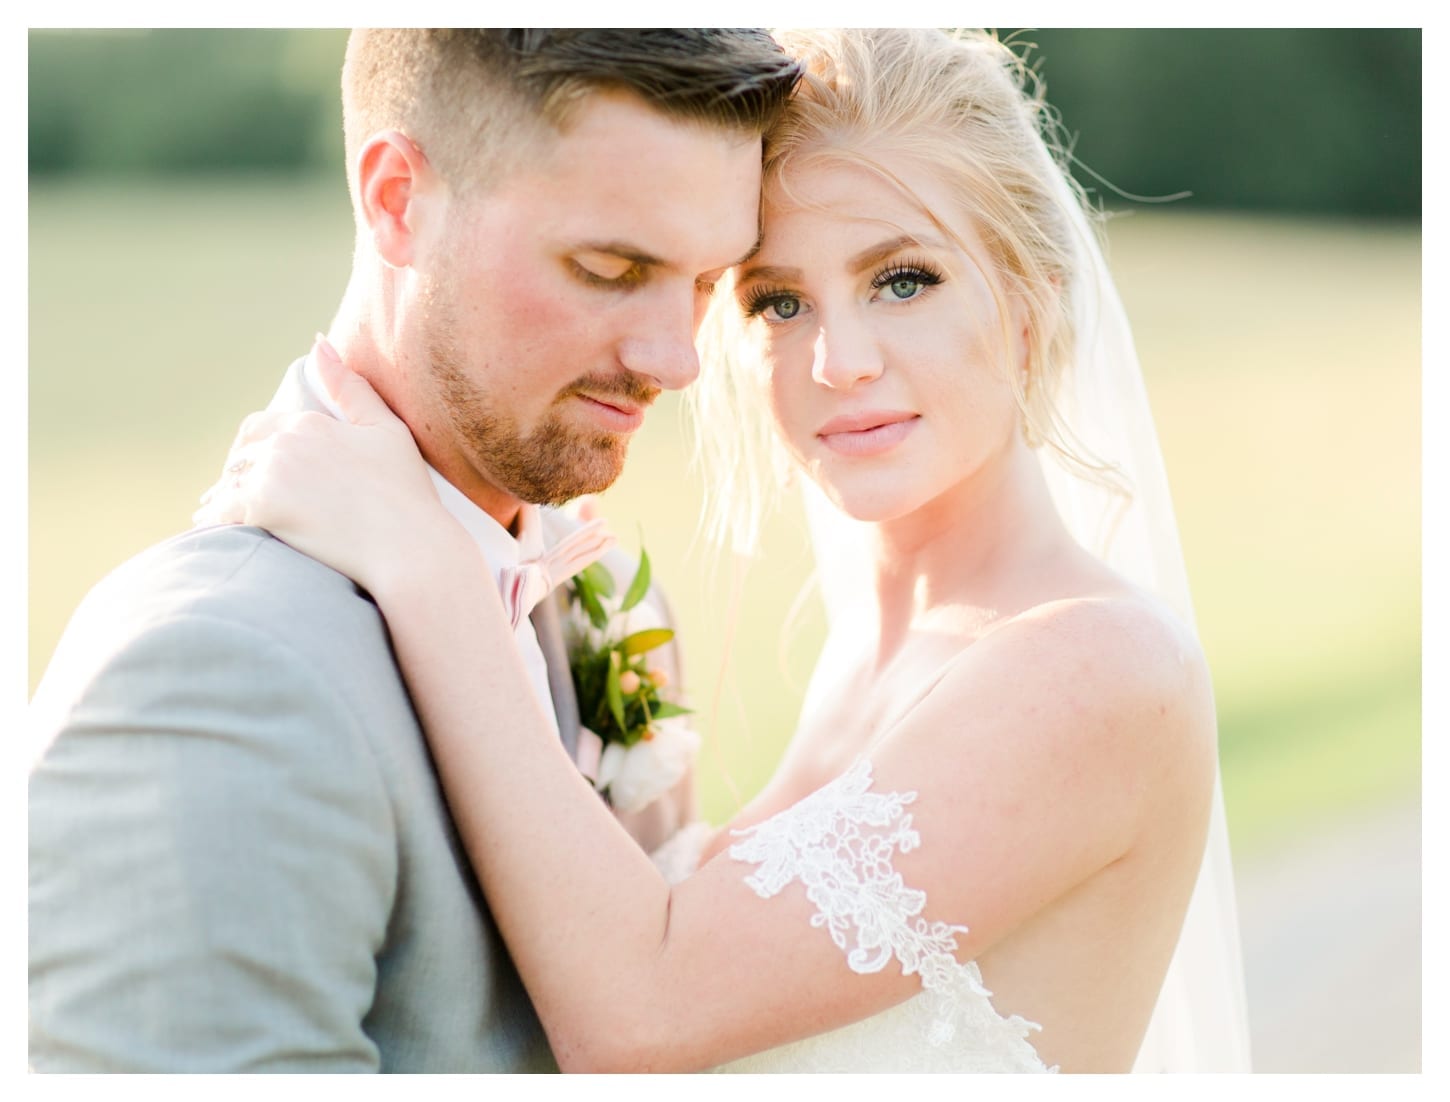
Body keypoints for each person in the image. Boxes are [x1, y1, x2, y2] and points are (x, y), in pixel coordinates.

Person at [199, 28, 1253, 1072]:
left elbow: (642, 1013)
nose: (838, 360)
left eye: (904, 280)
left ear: (1032, 300)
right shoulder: (873, 650)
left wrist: (422, 565)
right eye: (777, 301)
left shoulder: (1098, 669)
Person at [27, 29, 800, 1072]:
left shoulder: (595, 582)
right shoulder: (209, 672)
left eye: (707, 283)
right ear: (397, 199)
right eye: (610, 268)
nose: (675, 357)